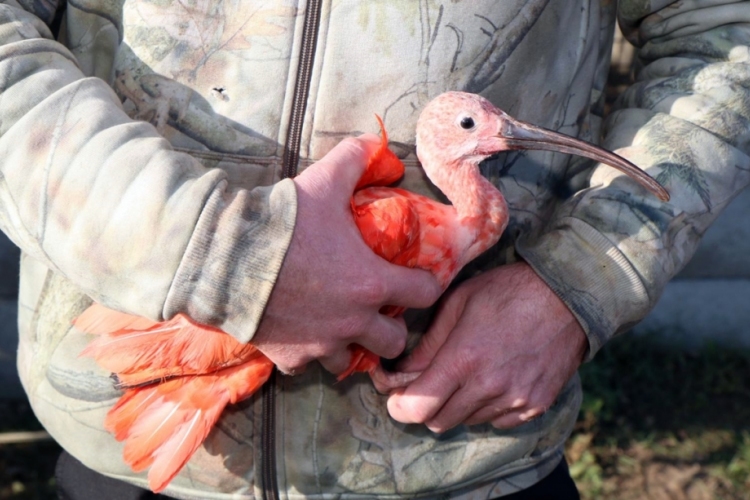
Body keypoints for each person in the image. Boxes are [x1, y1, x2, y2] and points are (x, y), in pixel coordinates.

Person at [1, 1, 748, 499]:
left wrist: (581, 280)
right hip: (130, 445)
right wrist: (217, 253)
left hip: (464, 458)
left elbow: (723, 29)